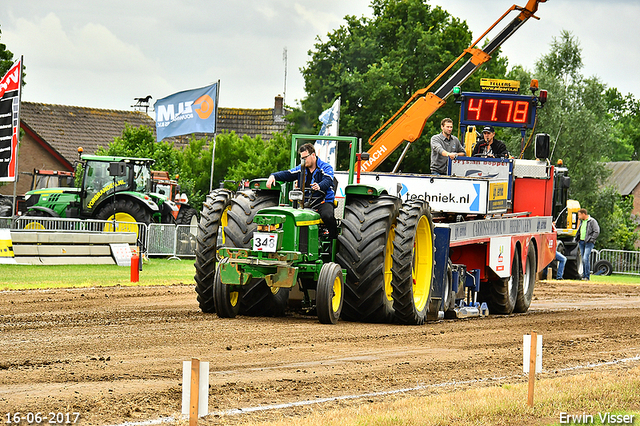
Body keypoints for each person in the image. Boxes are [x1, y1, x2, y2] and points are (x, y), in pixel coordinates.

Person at [266, 143, 337, 239]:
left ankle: (334, 241)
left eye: (305, 158)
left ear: (313, 155)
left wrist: (319, 186)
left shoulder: (325, 167)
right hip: (304, 202)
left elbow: (328, 180)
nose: (303, 160)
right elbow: (288, 174)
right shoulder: (301, 168)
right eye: (301, 158)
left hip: (322, 201)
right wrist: (273, 176)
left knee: (327, 216)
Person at [577, 208, 600, 281]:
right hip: (581, 241)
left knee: (585, 258)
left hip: (588, 242)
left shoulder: (592, 221)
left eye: (579, 215)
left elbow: (596, 231)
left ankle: (587, 276)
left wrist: (591, 239)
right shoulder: (582, 221)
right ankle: (584, 275)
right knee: (583, 259)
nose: (579, 217)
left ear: (584, 214)